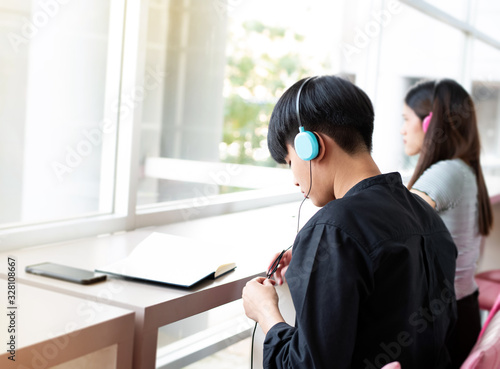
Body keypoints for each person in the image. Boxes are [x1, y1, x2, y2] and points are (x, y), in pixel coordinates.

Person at [242, 75, 458, 369]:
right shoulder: (427, 215)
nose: (294, 179)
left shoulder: (331, 229)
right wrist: (316, 257)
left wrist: (266, 312)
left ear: (311, 146)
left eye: (290, 161)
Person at [401, 78, 494, 368]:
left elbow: (386, 227)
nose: (402, 130)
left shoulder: (443, 173)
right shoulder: (464, 170)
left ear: (430, 124)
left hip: (440, 319)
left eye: (405, 119)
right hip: (461, 309)